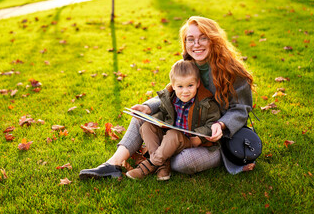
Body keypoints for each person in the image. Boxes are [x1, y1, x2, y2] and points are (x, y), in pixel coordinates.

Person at [79, 16, 254, 179]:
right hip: (184, 129)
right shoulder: (188, 65)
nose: (196, 44)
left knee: (182, 163)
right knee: (142, 117)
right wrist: (147, 107)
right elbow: (171, 92)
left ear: (213, 39)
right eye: (190, 39)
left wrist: (221, 125)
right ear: (185, 43)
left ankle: (160, 158)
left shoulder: (232, 71)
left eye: (203, 38)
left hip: (215, 140)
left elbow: (241, 109)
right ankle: (113, 164)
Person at [125, 60, 221, 180]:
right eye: (180, 86)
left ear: (197, 83)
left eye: (190, 85)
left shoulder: (206, 103)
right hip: (169, 138)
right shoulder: (171, 98)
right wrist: (153, 120)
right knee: (146, 127)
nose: (185, 91)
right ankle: (163, 166)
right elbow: (164, 113)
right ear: (173, 85)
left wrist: (200, 137)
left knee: (173, 134)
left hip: (188, 140)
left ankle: (151, 164)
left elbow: (212, 123)